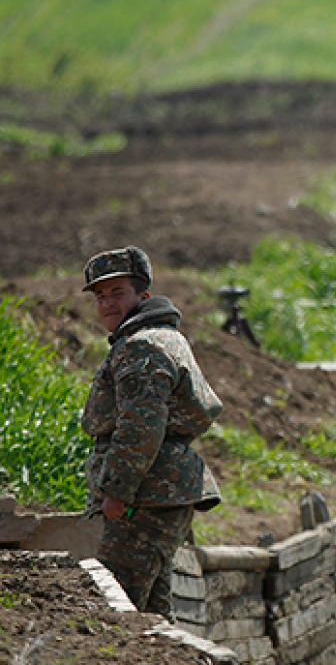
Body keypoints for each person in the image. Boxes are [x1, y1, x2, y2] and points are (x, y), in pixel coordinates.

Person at [80, 245, 222, 621]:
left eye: (118, 293)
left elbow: (140, 428)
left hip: (146, 495)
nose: (108, 303)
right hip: (161, 490)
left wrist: (117, 493)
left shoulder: (141, 346)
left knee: (118, 608)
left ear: (142, 297)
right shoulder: (161, 337)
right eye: (100, 296)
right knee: (153, 617)